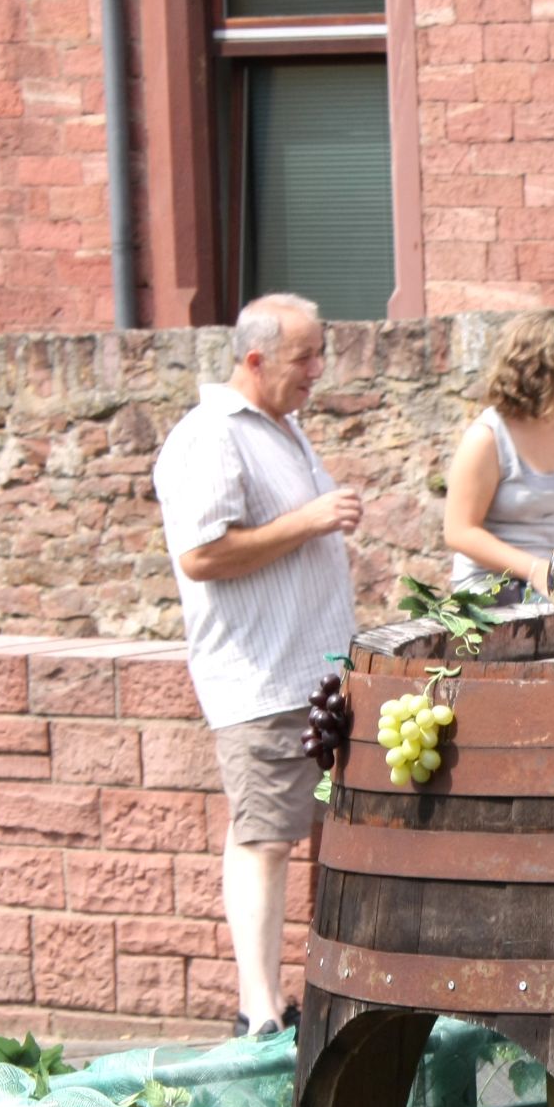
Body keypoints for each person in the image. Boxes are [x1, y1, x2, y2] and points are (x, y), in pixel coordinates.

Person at [153, 293, 357, 1037]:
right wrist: (311, 519)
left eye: (319, 353)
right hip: (261, 675)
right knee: (266, 837)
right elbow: (202, 554)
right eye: (305, 356)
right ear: (255, 358)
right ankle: (258, 1010)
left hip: (315, 668)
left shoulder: (284, 427)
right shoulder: (210, 436)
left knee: (326, 836)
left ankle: (304, 997)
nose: (317, 370)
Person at [443, 310, 554, 600]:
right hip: (499, 588)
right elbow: (459, 531)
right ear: (548, 373)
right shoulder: (487, 438)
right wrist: (536, 570)